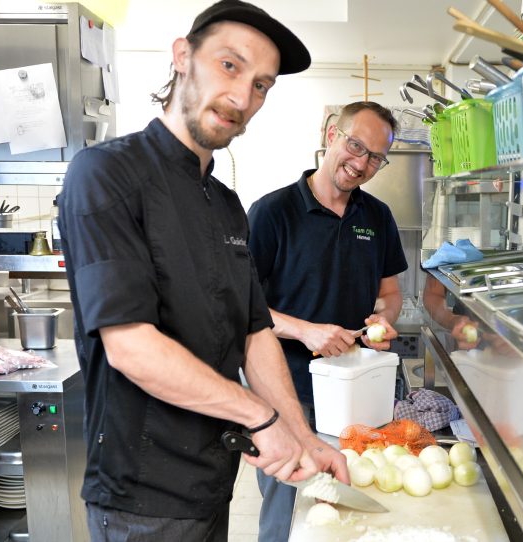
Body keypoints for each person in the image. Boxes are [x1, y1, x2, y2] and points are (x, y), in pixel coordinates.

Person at [58, 1, 336, 540]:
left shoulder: (227, 203)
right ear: (182, 56)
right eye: (229, 66)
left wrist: (304, 436)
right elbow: (131, 346)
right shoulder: (106, 174)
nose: (241, 97)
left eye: (261, 85)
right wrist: (261, 418)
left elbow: (255, 333)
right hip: (141, 498)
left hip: (212, 483)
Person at [247, 101, 408, 541]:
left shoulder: (376, 217)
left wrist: (384, 319)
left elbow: (391, 293)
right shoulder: (271, 213)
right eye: (356, 145)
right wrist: (305, 330)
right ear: (331, 134)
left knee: (348, 509)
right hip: (288, 391)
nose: (361, 163)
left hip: (356, 391)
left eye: (375, 157)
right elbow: (241, 307)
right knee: (290, 511)